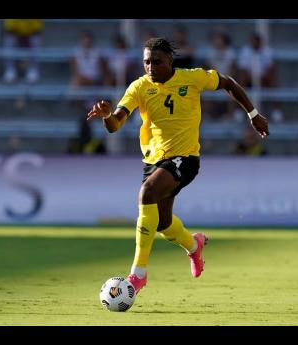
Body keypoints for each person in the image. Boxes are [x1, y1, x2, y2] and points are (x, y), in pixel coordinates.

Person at [87, 38, 269, 295]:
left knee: (147, 193)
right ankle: (194, 245)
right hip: (153, 160)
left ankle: (138, 274)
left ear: (170, 61)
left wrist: (253, 114)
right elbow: (116, 124)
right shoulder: (139, 87)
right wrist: (107, 116)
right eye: (146, 62)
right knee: (161, 223)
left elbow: (228, 82)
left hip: (185, 157)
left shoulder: (192, 78)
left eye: (157, 62)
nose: (150, 67)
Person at [2, 19, 44, 84]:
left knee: (35, 41)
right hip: (16, 35)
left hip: (30, 35)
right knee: (9, 41)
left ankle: (33, 70)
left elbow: (37, 30)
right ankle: (10, 71)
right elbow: (10, 29)